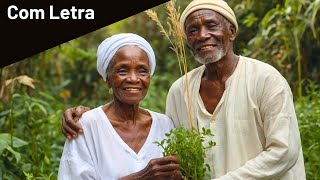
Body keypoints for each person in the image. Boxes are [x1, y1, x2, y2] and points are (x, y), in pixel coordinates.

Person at [61, 0, 306, 179]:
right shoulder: (181, 91)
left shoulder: (265, 79)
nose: (202, 35)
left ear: (231, 31)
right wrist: (92, 117)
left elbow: (284, 152)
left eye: (212, 25)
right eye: (192, 30)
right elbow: (180, 163)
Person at [58, 33, 182, 180]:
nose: (134, 79)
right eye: (122, 71)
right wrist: (142, 177)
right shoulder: (86, 126)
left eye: (142, 71)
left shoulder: (165, 124)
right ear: (108, 79)